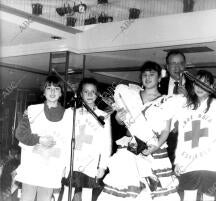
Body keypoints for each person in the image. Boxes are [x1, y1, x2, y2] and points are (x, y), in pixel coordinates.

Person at [97, 61, 180, 201]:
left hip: (154, 148)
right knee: (127, 189)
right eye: (145, 75)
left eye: (152, 75)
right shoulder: (130, 95)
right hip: (131, 146)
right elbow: (120, 121)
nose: (147, 78)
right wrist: (119, 118)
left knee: (153, 192)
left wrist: (154, 148)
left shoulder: (167, 101)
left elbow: (166, 130)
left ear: (159, 78)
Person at [173, 70, 216, 201]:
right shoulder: (185, 108)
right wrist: (178, 161)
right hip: (189, 161)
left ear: (211, 87)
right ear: (193, 86)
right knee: (188, 197)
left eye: (205, 84)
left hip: (212, 162)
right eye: (197, 84)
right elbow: (182, 137)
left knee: (208, 198)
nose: (200, 88)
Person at [14, 74, 72, 201]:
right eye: (49, 88)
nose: (52, 92)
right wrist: (39, 139)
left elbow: (68, 144)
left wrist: (65, 167)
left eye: (56, 89)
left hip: (52, 167)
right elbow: (20, 134)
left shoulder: (69, 115)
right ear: (44, 92)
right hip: (32, 165)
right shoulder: (32, 110)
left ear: (61, 93)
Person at [61, 77, 112, 201]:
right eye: (86, 91)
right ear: (80, 94)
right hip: (71, 162)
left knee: (87, 197)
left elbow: (106, 143)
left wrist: (102, 166)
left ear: (98, 94)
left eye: (93, 91)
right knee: (67, 196)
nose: (89, 95)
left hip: (91, 164)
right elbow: (63, 140)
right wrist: (62, 165)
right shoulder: (70, 113)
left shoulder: (103, 116)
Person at [159, 50, 188, 168]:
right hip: (162, 137)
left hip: (185, 138)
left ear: (185, 65)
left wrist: (187, 97)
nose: (177, 67)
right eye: (173, 64)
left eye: (180, 63)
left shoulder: (195, 85)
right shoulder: (158, 84)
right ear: (167, 67)